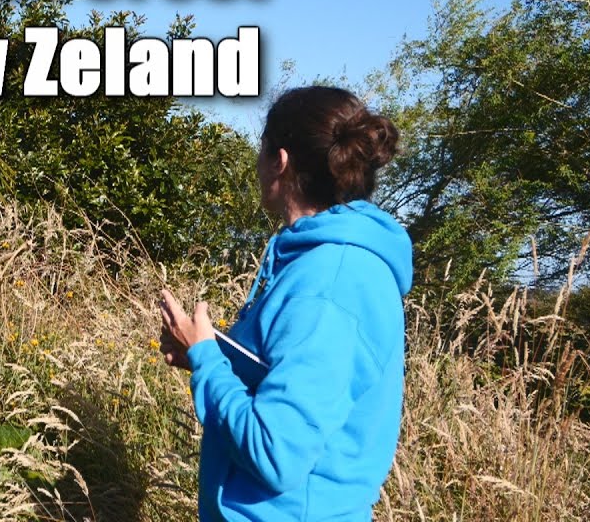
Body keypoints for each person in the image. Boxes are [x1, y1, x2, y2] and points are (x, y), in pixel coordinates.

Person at [159, 86, 413, 521]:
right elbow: (291, 384)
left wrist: (206, 359)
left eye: (259, 150)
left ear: (280, 160)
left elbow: (275, 451)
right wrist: (207, 357)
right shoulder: (318, 262)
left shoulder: (330, 284)